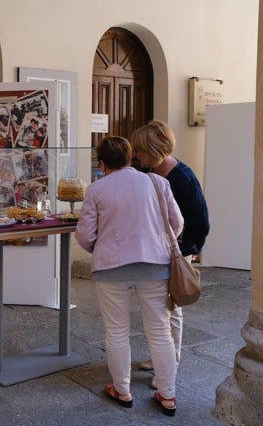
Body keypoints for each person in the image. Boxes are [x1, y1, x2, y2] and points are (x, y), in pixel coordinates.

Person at [75, 136, 183, 417]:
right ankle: (168, 394)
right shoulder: (158, 183)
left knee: (117, 330)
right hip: (155, 265)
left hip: (112, 268)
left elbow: (85, 236)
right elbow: (178, 223)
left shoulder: (97, 189)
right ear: (131, 157)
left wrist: (100, 248)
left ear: (102, 163)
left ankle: (122, 390)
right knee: (160, 330)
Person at [130, 120, 210, 375]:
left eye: (140, 150)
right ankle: (161, 357)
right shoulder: (150, 174)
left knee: (172, 310)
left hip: (176, 253)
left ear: (154, 149)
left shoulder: (183, 177)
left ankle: (169, 366)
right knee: (158, 310)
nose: (136, 155)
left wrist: (189, 249)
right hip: (155, 252)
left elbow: (200, 220)